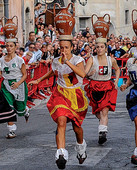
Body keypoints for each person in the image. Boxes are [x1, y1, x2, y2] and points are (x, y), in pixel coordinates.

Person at [28, 14, 88, 168]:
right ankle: (61, 153)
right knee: (61, 121)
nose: (63, 50)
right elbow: (52, 72)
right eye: (61, 47)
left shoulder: (77, 60)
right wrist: (38, 80)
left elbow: (82, 74)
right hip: (60, 94)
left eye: (66, 48)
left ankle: (81, 147)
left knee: (77, 128)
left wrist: (68, 60)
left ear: (72, 48)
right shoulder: (56, 61)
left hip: (75, 95)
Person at [85, 14, 120, 145]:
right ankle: (102, 125)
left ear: (105, 48)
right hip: (94, 86)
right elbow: (83, 73)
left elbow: (117, 69)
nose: (99, 49)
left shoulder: (111, 60)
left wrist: (116, 81)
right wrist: (89, 74)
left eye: (101, 47)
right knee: (97, 112)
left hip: (106, 85)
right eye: (97, 47)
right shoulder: (91, 59)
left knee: (104, 111)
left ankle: (102, 133)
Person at [0, 40, 29, 139]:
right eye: (7, 46)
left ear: (15, 47)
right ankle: (11, 130)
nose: (8, 48)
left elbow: (25, 75)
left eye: (11, 46)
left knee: (19, 109)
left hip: (18, 84)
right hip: (6, 84)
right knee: (8, 106)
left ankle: (25, 110)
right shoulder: (1, 60)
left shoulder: (19, 60)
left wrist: (18, 83)